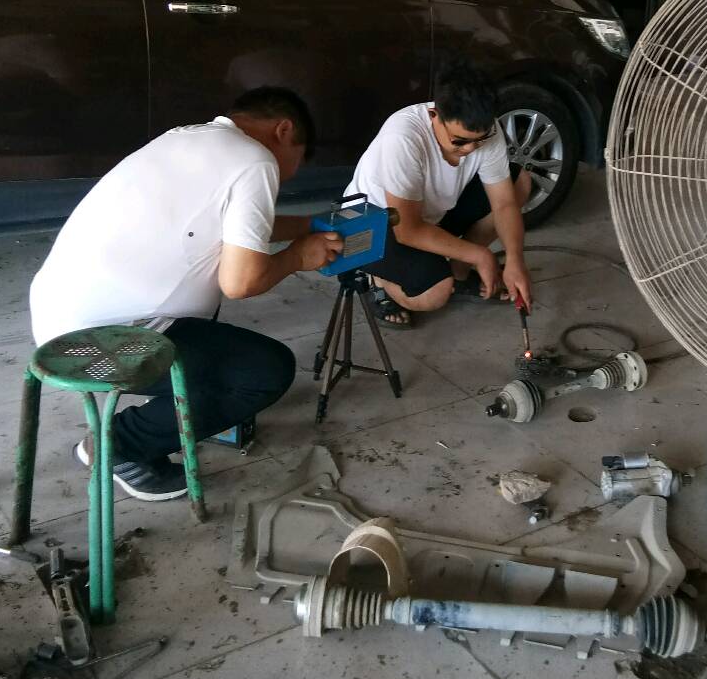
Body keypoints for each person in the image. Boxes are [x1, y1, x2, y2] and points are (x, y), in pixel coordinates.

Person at [29, 88, 342, 502]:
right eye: (298, 159)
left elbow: (238, 227)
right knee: (265, 372)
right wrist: (298, 257)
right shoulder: (256, 160)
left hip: (59, 318)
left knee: (214, 334)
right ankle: (119, 447)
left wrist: (308, 225)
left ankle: (179, 412)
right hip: (104, 344)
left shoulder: (185, 138)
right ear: (283, 131)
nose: (291, 174)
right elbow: (241, 282)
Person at [348, 62, 533, 326]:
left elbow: (503, 203)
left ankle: (459, 275)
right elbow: (407, 230)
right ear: (434, 115)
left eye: (480, 140)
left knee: (519, 183)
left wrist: (515, 258)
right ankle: (378, 281)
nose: (470, 149)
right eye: (460, 141)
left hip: (430, 214)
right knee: (434, 293)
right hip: (371, 227)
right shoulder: (403, 137)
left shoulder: (488, 131)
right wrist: (480, 255)